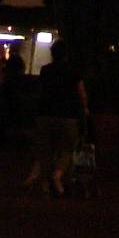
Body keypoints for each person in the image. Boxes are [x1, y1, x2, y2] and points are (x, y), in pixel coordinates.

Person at [25, 41, 89, 196]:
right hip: (67, 116)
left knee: (46, 150)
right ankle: (58, 175)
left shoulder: (45, 70)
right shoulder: (73, 71)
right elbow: (81, 93)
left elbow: (40, 92)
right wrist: (85, 109)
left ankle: (45, 183)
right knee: (67, 149)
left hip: (45, 113)